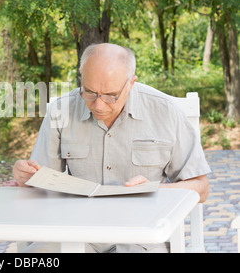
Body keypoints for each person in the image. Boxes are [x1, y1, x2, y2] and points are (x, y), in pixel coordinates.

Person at [12, 43, 211, 253]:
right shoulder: (60, 110)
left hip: (142, 237)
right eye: (89, 92)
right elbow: (41, 181)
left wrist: (153, 190)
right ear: (81, 76)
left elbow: (201, 188)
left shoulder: (166, 112)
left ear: (131, 83)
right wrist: (25, 175)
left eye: (110, 95)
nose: (99, 105)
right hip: (74, 231)